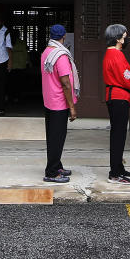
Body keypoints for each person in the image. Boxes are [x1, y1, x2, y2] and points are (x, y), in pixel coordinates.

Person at [41, 24, 78, 183]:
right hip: (59, 103)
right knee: (57, 138)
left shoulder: (46, 52)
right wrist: (72, 107)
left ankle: (57, 165)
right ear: (63, 37)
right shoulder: (61, 56)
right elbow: (66, 84)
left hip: (49, 101)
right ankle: (51, 172)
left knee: (53, 137)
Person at [102, 23, 130, 184]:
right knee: (118, 135)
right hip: (119, 97)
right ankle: (115, 172)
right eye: (124, 35)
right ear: (118, 38)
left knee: (118, 134)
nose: (126, 38)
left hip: (114, 96)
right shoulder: (117, 54)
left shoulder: (110, 54)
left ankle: (118, 167)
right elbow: (125, 76)